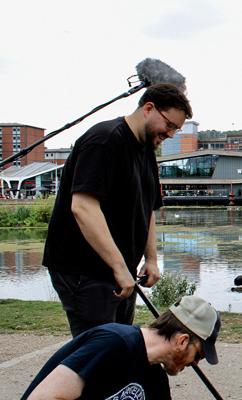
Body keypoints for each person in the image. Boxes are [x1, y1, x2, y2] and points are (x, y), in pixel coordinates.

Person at [43, 83, 193, 337]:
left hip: (118, 272)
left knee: (118, 348)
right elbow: (83, 207)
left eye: (176, 130)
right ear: (148, 109)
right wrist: (119, 267)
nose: (170, 135)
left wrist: (152, 259)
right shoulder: (105, 140)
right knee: (97, 354)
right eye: (169, 126)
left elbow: (148, 208)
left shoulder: (146, 148)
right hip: (84, 270)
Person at [22, 295, 221, 400]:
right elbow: (42, 398)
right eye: (200, 354)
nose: (196, 362)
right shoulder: (113, 343)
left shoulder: (155, 378)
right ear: (183, 341)